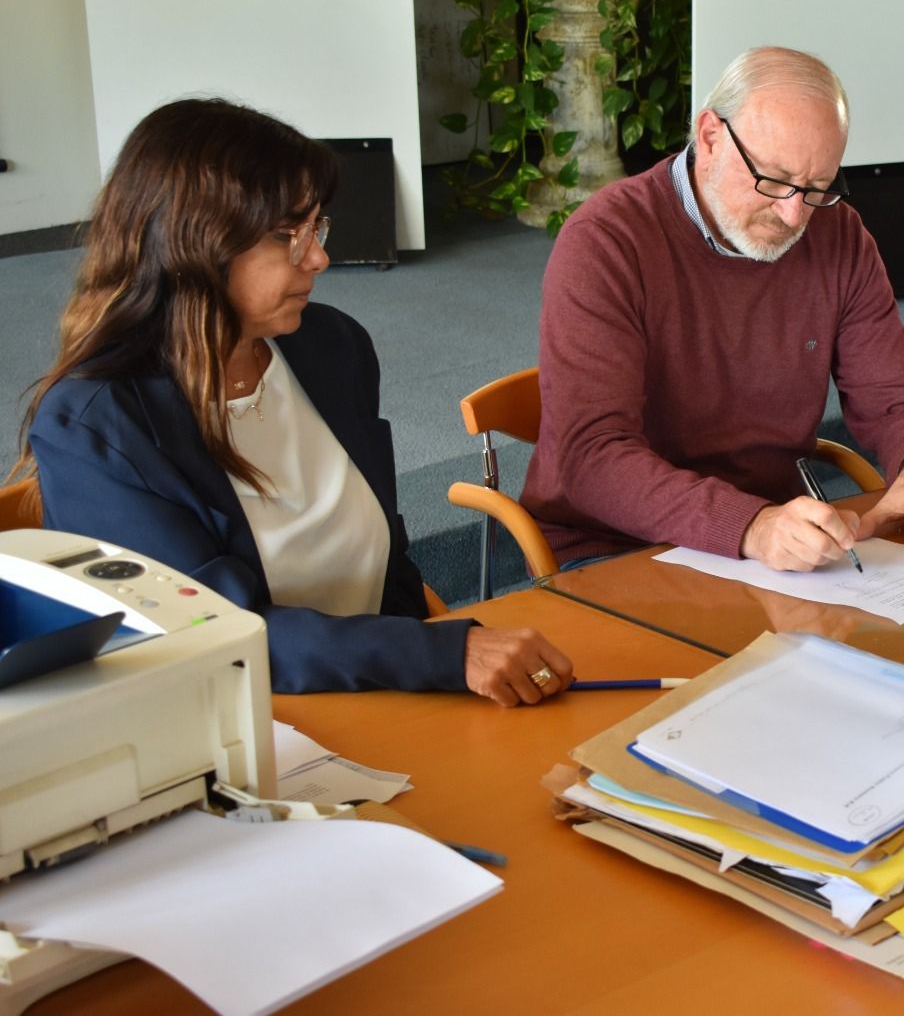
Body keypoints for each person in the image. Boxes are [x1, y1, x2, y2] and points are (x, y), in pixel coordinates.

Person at [15, 98, 573, 707]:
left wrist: (437, 659)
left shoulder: (332, 347)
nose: (319, 258)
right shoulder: (95, 426)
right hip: (234, 725)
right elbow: (216, 634)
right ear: (190, 244)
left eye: (317, 229)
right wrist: (439, 654)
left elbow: (389, 566)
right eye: (287, 236)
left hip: (381, 695)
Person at [520, 46, 904, 573]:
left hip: (769, 544)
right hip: (613, 546)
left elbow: (899, 399)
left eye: (816, 188)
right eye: (775, 180)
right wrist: (751, 526)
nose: (792, 214)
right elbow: (593, 457)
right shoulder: (607, 242)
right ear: (711, 137)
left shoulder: (838, 236)